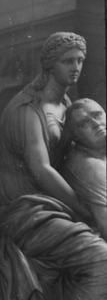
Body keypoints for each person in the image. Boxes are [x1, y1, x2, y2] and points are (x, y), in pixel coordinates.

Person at [0, 32, 107, 300]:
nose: (76, 68)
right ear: (50, 63)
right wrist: (84, 209)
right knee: (102, 259)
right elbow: (41, 169)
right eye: (68, 60)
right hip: (23, 214)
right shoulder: (25, 108)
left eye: (80, 60)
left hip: (55, 212)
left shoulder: (68, 108)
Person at [61, 99, 107, 239]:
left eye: (97, 114)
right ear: (75, 136)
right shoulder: (90, 167)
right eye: (84, 123)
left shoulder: (99, 150)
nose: (96, 123)